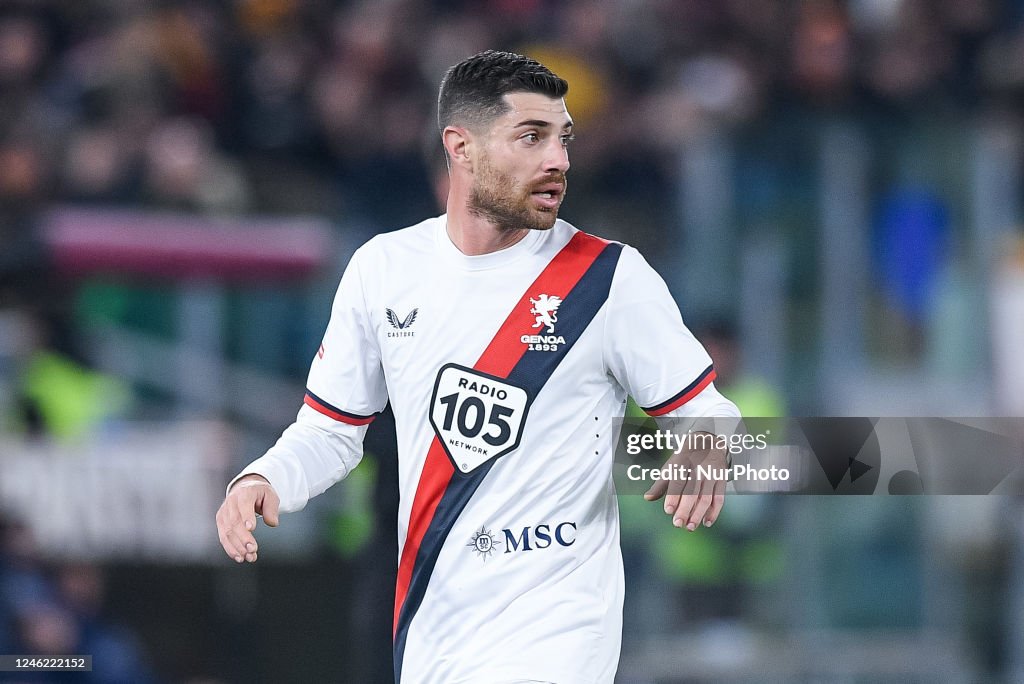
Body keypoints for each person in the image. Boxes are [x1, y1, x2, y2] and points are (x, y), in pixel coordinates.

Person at [216, 50, 740, 683]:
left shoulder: (608, 279)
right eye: (532, 137)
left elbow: (705, 411)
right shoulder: (384, 270)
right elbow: (330, 430)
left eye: (564, 139)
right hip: (433, 635)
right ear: (460, 147)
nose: (559, 160)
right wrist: (264, 476)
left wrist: (706, 443)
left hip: (559, 635)